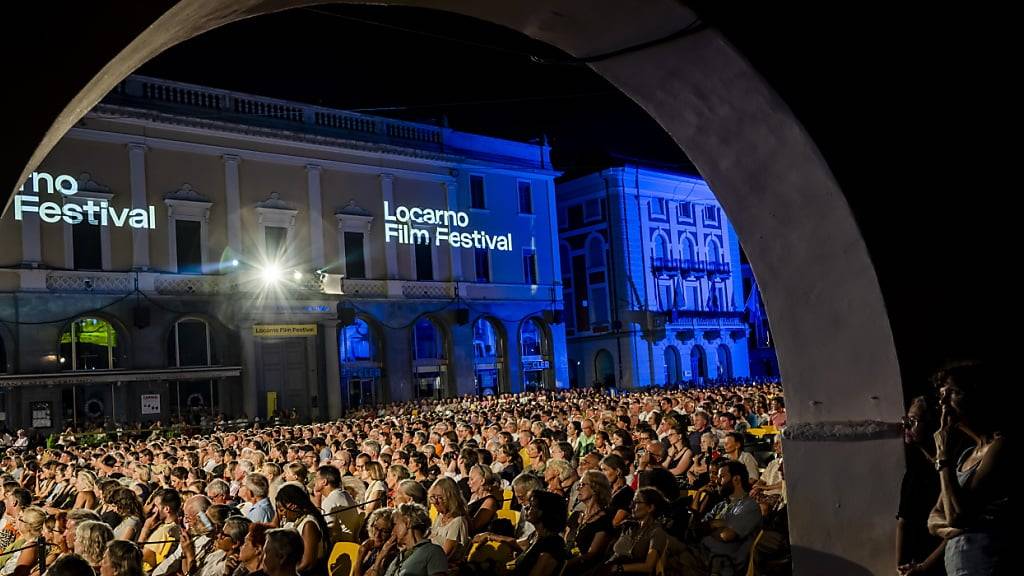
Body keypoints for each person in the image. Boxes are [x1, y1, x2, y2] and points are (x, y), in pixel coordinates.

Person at [928, 362, 1009, 576]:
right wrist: (966, 526)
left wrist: (942, 456)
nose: (943, 402)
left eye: (953, 392)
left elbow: (955, 515)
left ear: (976, 397)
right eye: (941, 394)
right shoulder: (966, 456)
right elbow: (934, 519)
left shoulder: (999, 447)